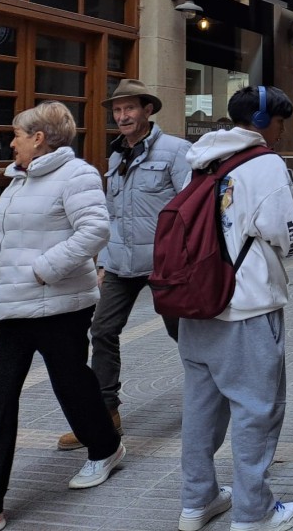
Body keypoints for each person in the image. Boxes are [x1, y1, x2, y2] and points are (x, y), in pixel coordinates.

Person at [0, 102, 123, 531]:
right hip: (7, 307)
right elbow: (9, 237)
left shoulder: (76, 175)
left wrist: (44, 270)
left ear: (40, 138)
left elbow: (95, 231)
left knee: (72, 385)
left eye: (18, 135)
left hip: (57, 307)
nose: (12, 142)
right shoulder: (19, 180)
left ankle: (105, 449)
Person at [176, 85, 293, 531]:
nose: (284, 131)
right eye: (282, 121)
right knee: (256, 410)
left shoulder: (203, 157)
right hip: (246, 303)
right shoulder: (266, 163)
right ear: (266, 121)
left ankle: (197, 502)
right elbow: (281, 231)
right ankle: (254, 512)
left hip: (196, 303)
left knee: (200, 409)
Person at [56, 79, 191, 452]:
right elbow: (110, 213)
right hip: (119, 262)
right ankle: (105, 413)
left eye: (129, 108)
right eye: (117, 110)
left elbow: (191, 207)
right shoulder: (116, 156)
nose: (122, 116)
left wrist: (186, 259)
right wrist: (101, 260)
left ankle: (210, 395)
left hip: (164, 263)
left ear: (148, 109)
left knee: (184, 333)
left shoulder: (176, 151)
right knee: (102, 330)